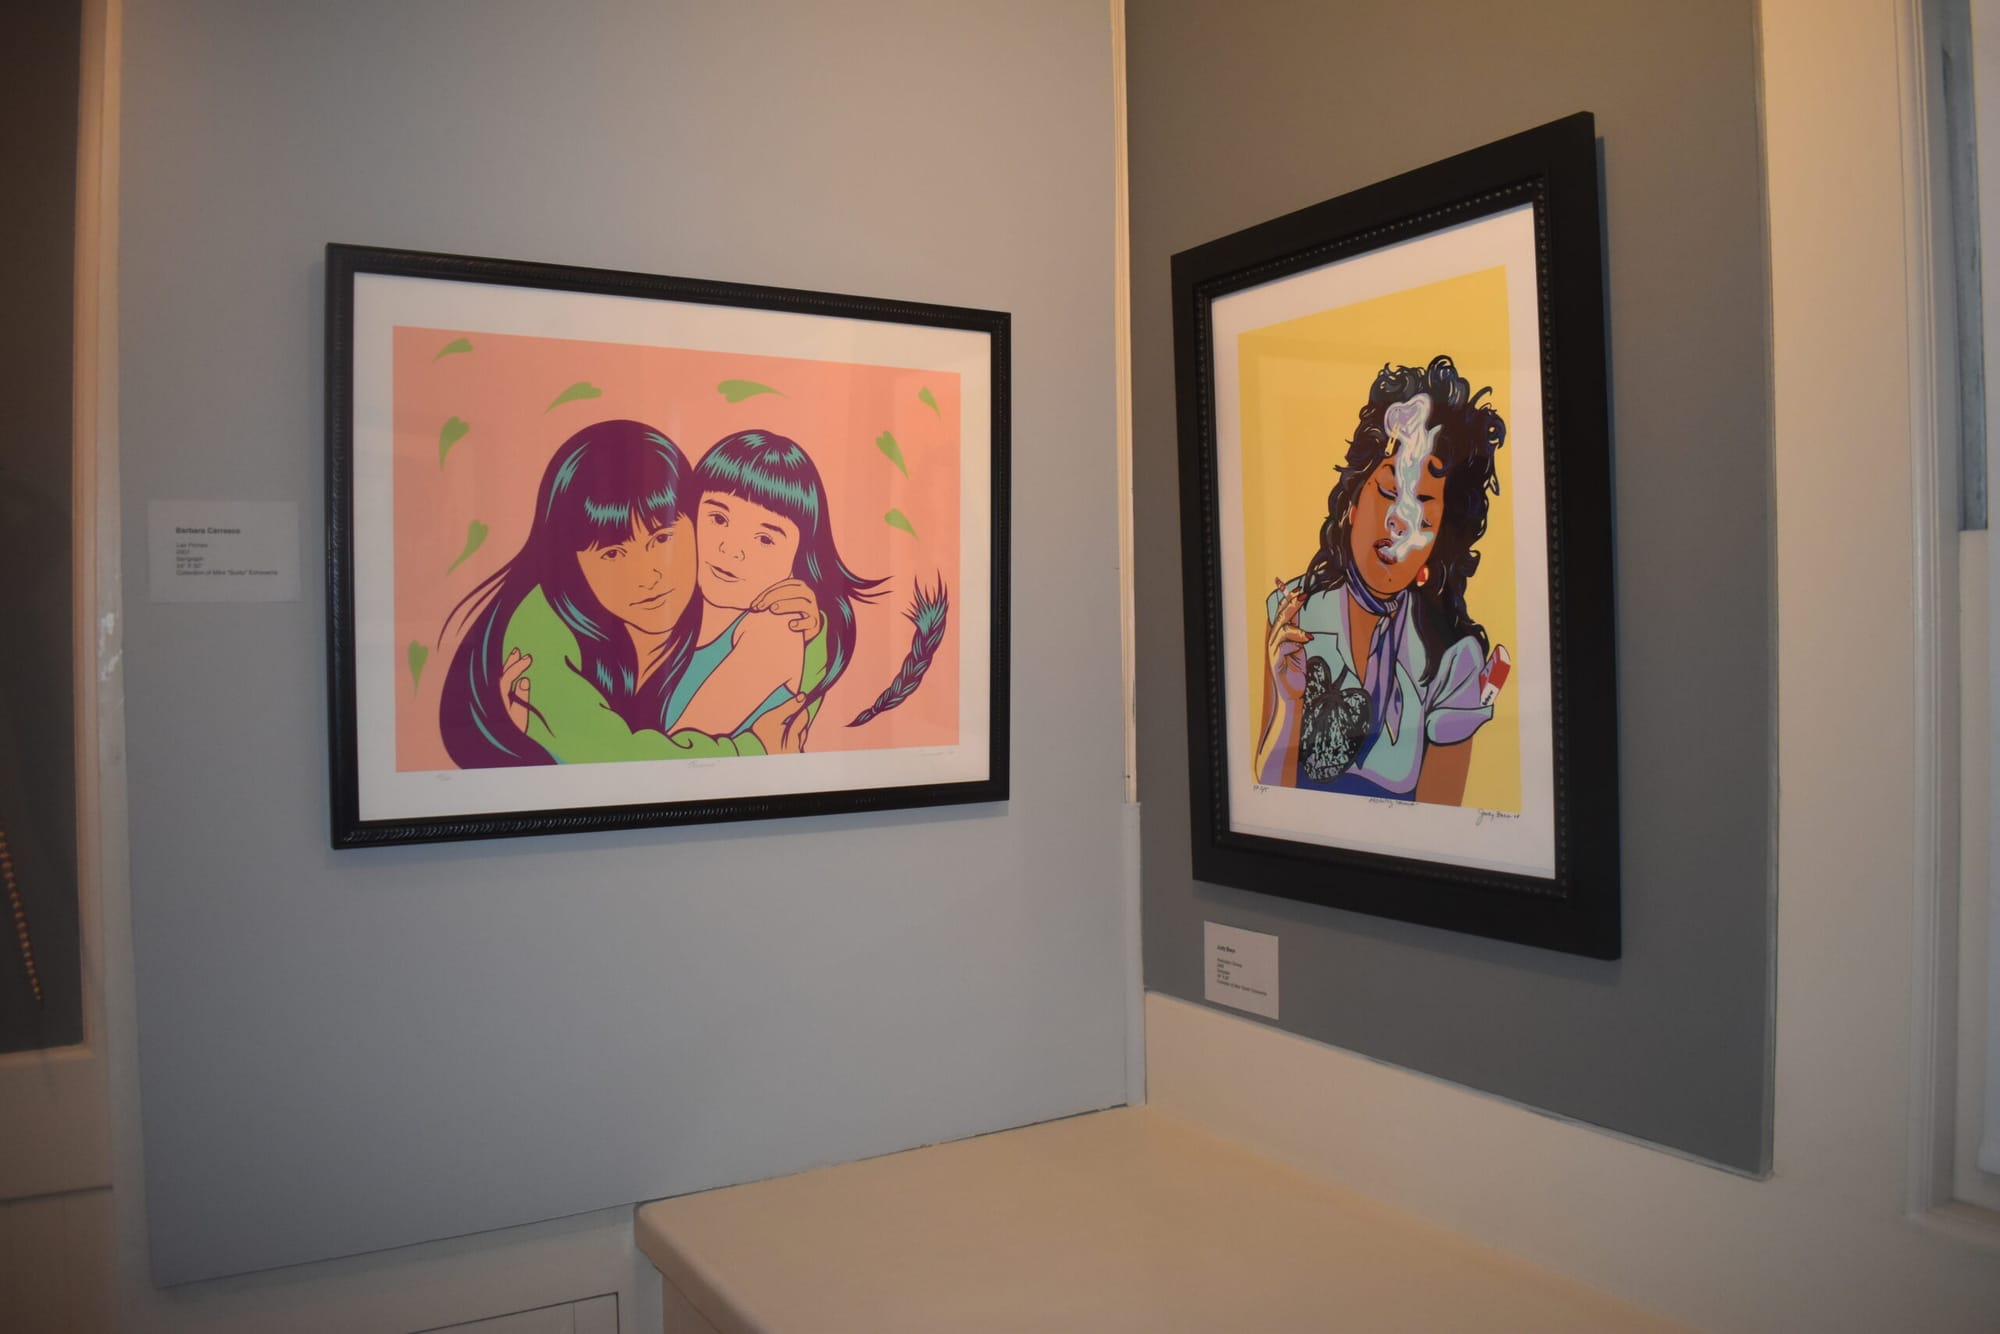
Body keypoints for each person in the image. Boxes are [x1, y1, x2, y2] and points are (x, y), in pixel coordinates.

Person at [437, 419, 821, 767]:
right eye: (613, 553)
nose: (649, 575)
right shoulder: (541, 624)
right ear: (571, 560)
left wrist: (817, 624)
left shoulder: (745, 616)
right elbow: (627, 760)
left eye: (663, 538)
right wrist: (754, 748)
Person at [1256, 355, 1510, 806]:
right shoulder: (1292, 613)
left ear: (1439, 546)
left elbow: (1441, 824)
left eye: (1422, 511)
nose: (1398, 521)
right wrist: (1289, 703)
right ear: (1353, 504)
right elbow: (1265, 798)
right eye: (1389, 492)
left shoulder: (1454, 659)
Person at [663, 430, 883, 737]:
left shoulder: (775, 627)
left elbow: (683, 746)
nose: (732, 549)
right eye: (719, 519)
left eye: (765, 539)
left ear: (798, 559)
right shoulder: (667, 608)